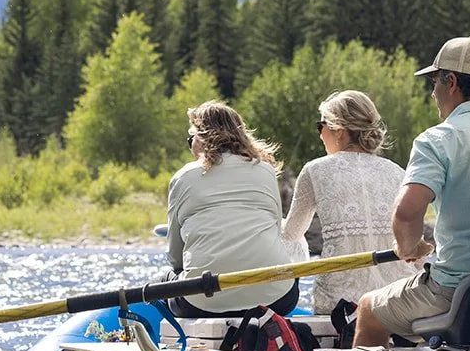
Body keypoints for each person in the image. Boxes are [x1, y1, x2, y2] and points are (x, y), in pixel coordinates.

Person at [352, 38, 470, 347]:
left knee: (367, 310)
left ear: (452, 82)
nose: (433, 93)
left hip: (458, 292)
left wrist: (409, 246)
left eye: (434, 82)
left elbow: (406, 214)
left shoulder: (438, 139)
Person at [279, 90, 415, 314]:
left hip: (341, 300)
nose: (320, 134)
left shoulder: (315, 170)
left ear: (339, 132)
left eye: (320, 126)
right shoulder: (398, 172)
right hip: (398, 297)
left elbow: (291, 234)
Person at [166, 100, 298, 317]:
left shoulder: (184, 176)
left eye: (191, 139)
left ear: (201, 138)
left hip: (202, 302)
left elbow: (175, 257)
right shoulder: (265, 170)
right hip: (276, 298)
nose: (190, 147)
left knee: (167, 278)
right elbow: (275, 230)